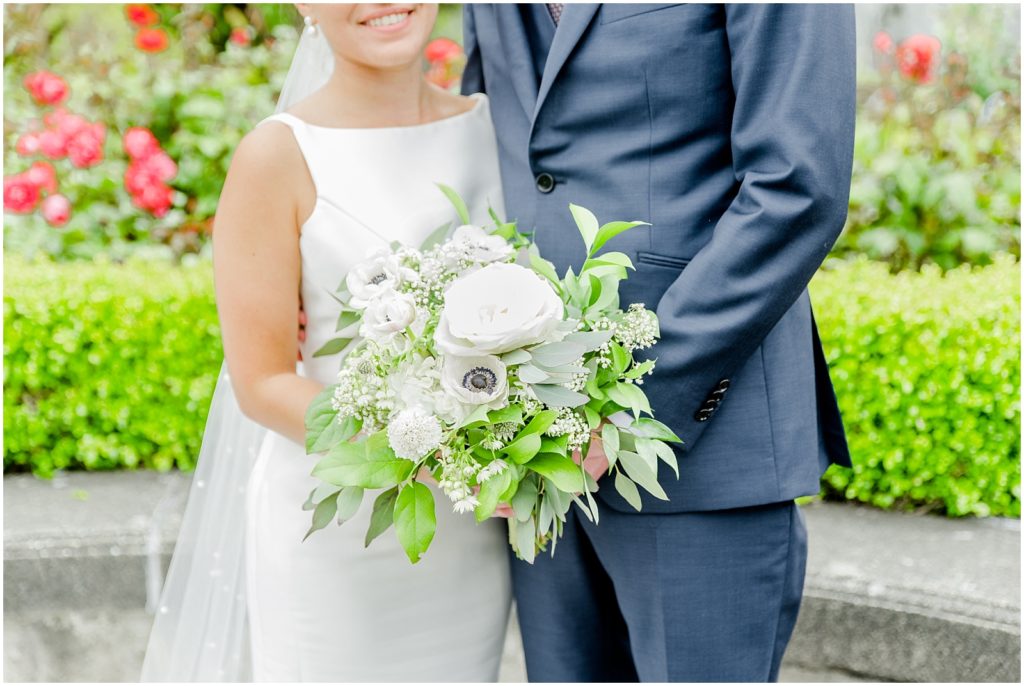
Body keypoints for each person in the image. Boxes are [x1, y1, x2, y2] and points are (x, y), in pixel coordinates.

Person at [462, 3, 857, 682]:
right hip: (531, 446)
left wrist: (629, 403)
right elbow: (491, 127)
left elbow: (796, 187)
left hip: (700, 447)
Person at [141, 4, 511, 680]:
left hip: (469, 537)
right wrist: (426, 458)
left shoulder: (495, 129)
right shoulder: (278, 154)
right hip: (336, 535)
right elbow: (261, 384)